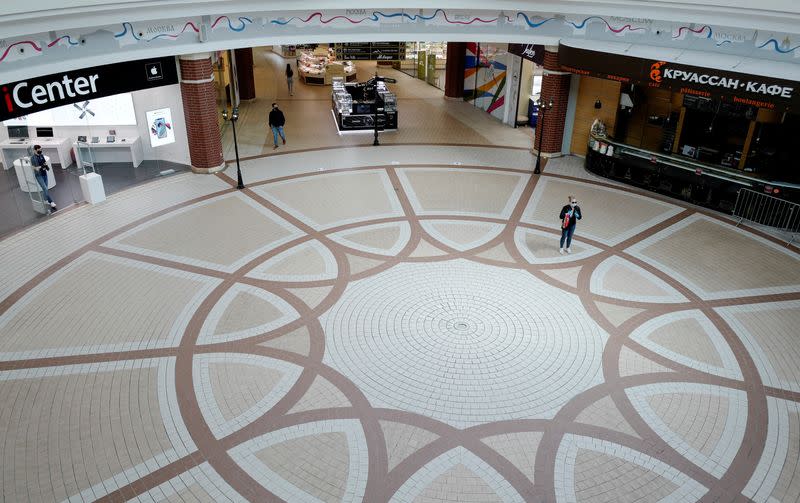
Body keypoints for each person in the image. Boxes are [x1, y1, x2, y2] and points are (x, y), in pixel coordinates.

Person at [30, 145, 57, 211]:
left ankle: (45, 200)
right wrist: (41, 167)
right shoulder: (33, 158)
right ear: (35, 150)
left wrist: (46, 166)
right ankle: (51, 202)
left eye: (41, 149)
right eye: (39, 150)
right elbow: (35, 168)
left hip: (44, 174)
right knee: (45, 188)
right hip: (39, 175)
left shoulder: (41, 155)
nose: (40, 151)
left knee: (45, 189)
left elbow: (44, 162)